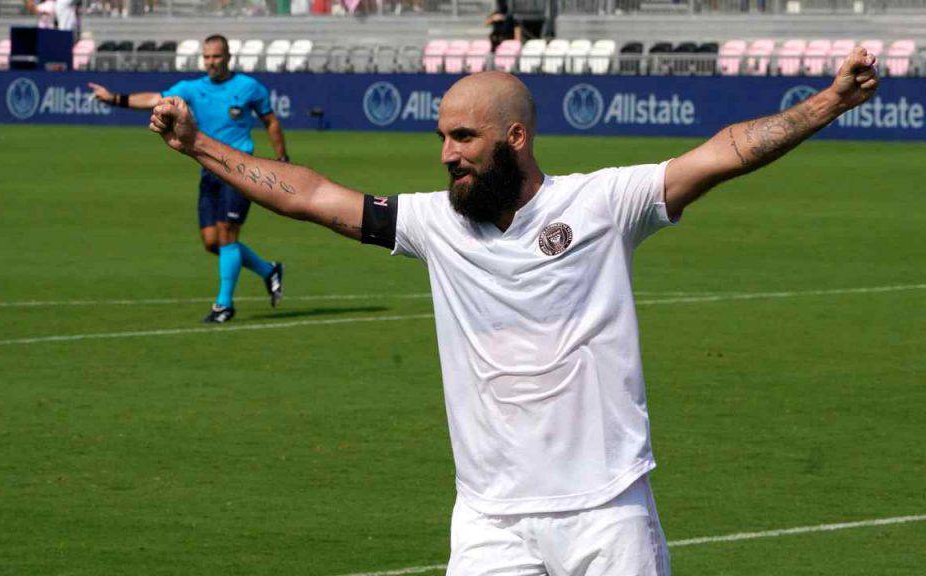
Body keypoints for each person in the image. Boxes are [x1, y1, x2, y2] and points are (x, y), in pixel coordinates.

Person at [149, 50, 879, 574]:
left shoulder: (602, 202)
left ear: (515, 138)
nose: (445, 154)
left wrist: (830, 102)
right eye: (440, 136)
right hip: (491, 522)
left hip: (607, 514)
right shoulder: (433, 223)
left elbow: (723, 154)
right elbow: (310, 196)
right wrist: (196, 145)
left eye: (463, 137)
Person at [90, 34, 289, 323]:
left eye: (216, 57)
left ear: (228, 57)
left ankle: (224, 305)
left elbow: (270, 121)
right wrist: (114, 99)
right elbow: (156, 100)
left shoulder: (249, 87)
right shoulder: (192, 89)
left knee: (227, 235)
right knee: (212, 242)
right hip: (208, 170)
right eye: (207, 57)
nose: (211, 62)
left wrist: (282, 159)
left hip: (240, 170)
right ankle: (268, 270)